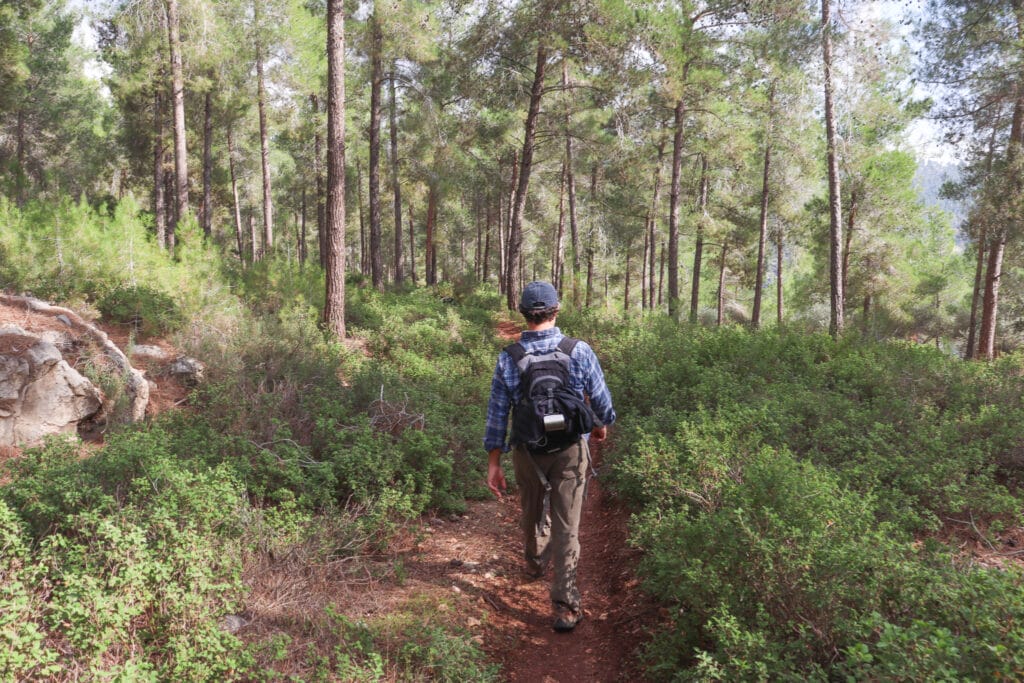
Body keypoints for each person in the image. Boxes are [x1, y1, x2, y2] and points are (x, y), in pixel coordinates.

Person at [484, 280, 616, 632]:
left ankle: (534, 562)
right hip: (571, 450)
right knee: (567, 526)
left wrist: (494, 462)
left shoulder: (509, 357)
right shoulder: (579, 351)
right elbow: (602, 403)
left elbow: (498, 413)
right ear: (556, 310)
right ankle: (566, 607)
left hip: (527, 451)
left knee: (531, 511)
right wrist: (599, 426)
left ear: (523, 313)